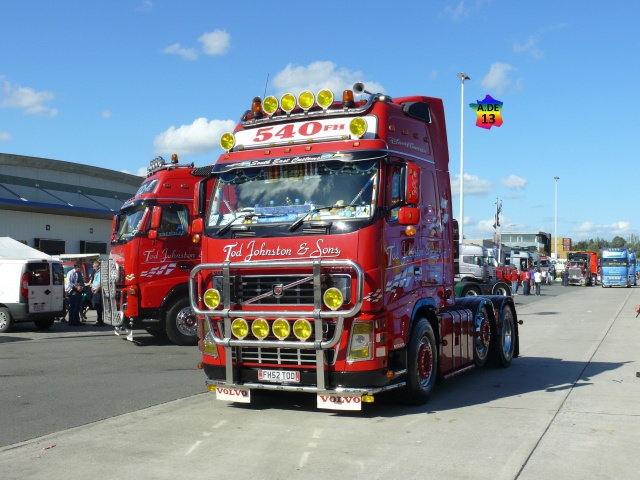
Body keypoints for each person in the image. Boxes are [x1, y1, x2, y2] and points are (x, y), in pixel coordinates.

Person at [65, 261, 85, 326]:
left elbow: (81, 282)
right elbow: (69, 283)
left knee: (78, 307)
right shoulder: (70, 273)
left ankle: (77, 320)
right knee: (72, 307)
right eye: (79, 267)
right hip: (72, 292)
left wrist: (82, 287)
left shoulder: (79, 273)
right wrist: (76, 287)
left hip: (79, 292)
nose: (80, 269)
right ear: (76, 267)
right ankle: (71, 321)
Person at [91, 261, 104, 326]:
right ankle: (99, 320)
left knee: (98, 306)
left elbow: (100, 283)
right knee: (97, 306)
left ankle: (99, 321)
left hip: (98, 292)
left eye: (94, 267)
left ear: (98, 266)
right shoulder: (97, 272)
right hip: (96, 291)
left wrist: (96, 291)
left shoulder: (100, 273)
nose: (93, 268)